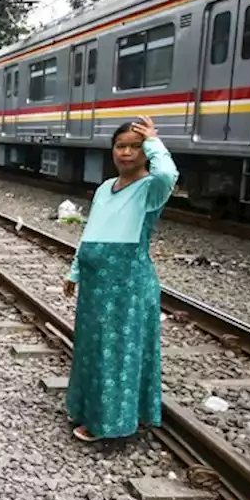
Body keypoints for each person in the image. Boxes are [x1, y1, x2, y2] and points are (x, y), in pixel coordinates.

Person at [63, 116, 178, 442]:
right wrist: (75, 270)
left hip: (126, 285)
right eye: (120, 146)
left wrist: (153, 140)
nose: (126, 152)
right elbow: (92, 232)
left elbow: (168, 172)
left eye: (134, 147)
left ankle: (108, 423)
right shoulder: (104, 188)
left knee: (117, 351)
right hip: (95, 283)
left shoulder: (150, 190)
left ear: (146, 153)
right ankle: (89, 408)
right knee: (91, 348)